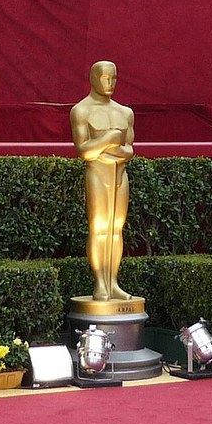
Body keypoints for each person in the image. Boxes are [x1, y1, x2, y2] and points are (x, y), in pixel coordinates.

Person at [70, 61, 135, 302]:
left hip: (119, 174)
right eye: (104, 78)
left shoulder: (125, 112)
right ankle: (100, 283)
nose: (109, 83)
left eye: (114, 78)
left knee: (116, 229)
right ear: (93, 78)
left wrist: (107, 149)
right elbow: (84, 151)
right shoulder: (81, 110)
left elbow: (129, 150)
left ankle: (113, 282)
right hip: (97, 173)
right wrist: (109, 139)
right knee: (99, 228)